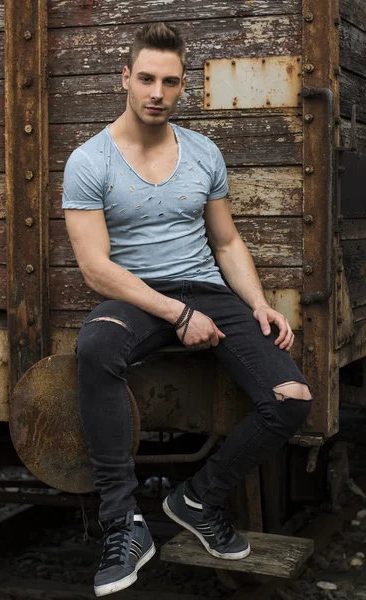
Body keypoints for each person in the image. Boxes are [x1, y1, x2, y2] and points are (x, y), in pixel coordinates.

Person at [62, 22, 313, 597]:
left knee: (292, 400)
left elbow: (225, 242)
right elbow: (96, 268)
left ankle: (197, 498)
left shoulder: (203, 153)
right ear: (125, 77)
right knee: (96, 346)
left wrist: (257, 304)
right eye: (146, 78)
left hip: (208, 291)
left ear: (182, 88)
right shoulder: (89, 160)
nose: (157, 92)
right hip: (139, 296)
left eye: (169, 82)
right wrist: (175, 314)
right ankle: (123, 523)